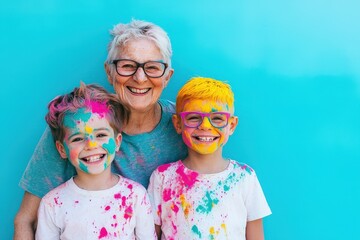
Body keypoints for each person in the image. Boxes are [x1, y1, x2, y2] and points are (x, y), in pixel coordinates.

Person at [14, 19, 187, 239]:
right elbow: (25, 219)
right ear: (109, 71)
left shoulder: (185, 126)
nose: (140, 78)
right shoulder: (74, 122)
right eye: (127, 65)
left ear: (167, 76)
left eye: (152, 67)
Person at [148, 77, 271, 240]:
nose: (205, 126)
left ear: (232, 125)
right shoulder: (162, 177)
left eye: (217, 118)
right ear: (178, 124)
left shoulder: (244, 177)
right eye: (193, 118)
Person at [36, 83, 156, 239]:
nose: (91, 145)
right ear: (62, 149)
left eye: (100, 135)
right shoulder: (52, 204)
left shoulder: (136, 196)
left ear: (117, 141)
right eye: (78, 138)